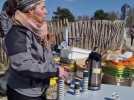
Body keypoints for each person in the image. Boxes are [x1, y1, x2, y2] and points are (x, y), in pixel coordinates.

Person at [5, 0, 66, 100]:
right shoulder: (17, 33)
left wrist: (56, 67)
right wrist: (55, 70)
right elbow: (24, 65)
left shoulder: (38, 32)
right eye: (42, 8)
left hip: (39, 90)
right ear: (30, 10)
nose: (46, 12)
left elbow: (44, 58)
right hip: (23, 94)